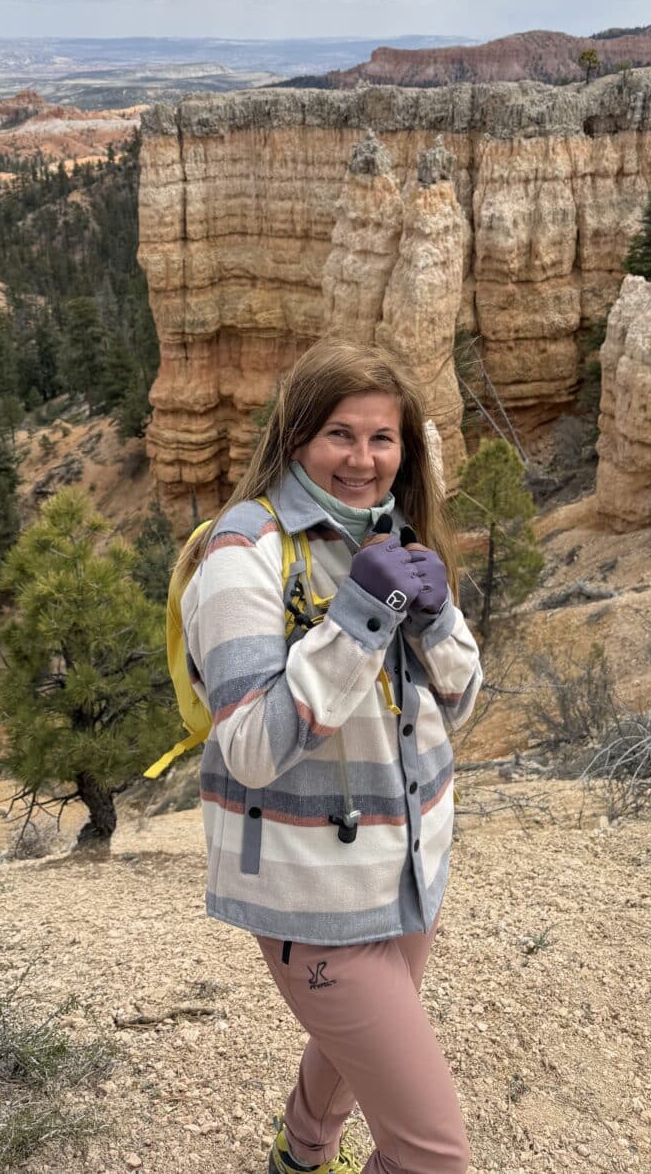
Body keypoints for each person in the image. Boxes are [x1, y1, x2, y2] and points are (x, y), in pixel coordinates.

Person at [179, 340, 482, 1174]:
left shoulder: (393, 536)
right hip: (313, 891)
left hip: (411, 866)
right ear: (296, 438)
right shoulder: (244, 554)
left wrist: (435, 618)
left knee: (355, 1046)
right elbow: (248, 746)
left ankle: (301, 1154)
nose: (363, 459)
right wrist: (359, 615)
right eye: (340, 434)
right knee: (433, 1156)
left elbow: (463, 701)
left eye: (383, 438)